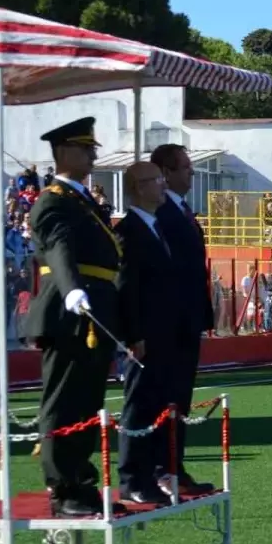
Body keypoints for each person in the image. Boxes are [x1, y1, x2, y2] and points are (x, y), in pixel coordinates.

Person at [26, 117, 122, 517]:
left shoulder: (80, 199)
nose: (91, 155)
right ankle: (62, 486)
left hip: (94, 309)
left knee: (86, 399)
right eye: (85, 149)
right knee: (64, 401)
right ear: (64, 151)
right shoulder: (53, 200)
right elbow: (60, 247)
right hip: (71, 310)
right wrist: (72, 290)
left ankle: (81, 480)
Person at [152, 144, 215, 494]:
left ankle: (175, 466)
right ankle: (162, 468)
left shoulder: (181, 209)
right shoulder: (160, 212)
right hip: (170, 321)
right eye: (185, 168)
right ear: (166, 171)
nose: (191, 173)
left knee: (181, 398)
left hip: (187, 319)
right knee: (167, 398)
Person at [115, 162, 177, 504]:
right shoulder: (130, 230)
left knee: (154, 402)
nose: (162, 184)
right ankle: (131, 479)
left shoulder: (154, 227)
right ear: (139, 187)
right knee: (138, 405)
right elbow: (128, 289)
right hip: (144, 337)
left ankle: (148, 473)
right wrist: (134, 336)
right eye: (156, 179)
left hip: (162, 333)